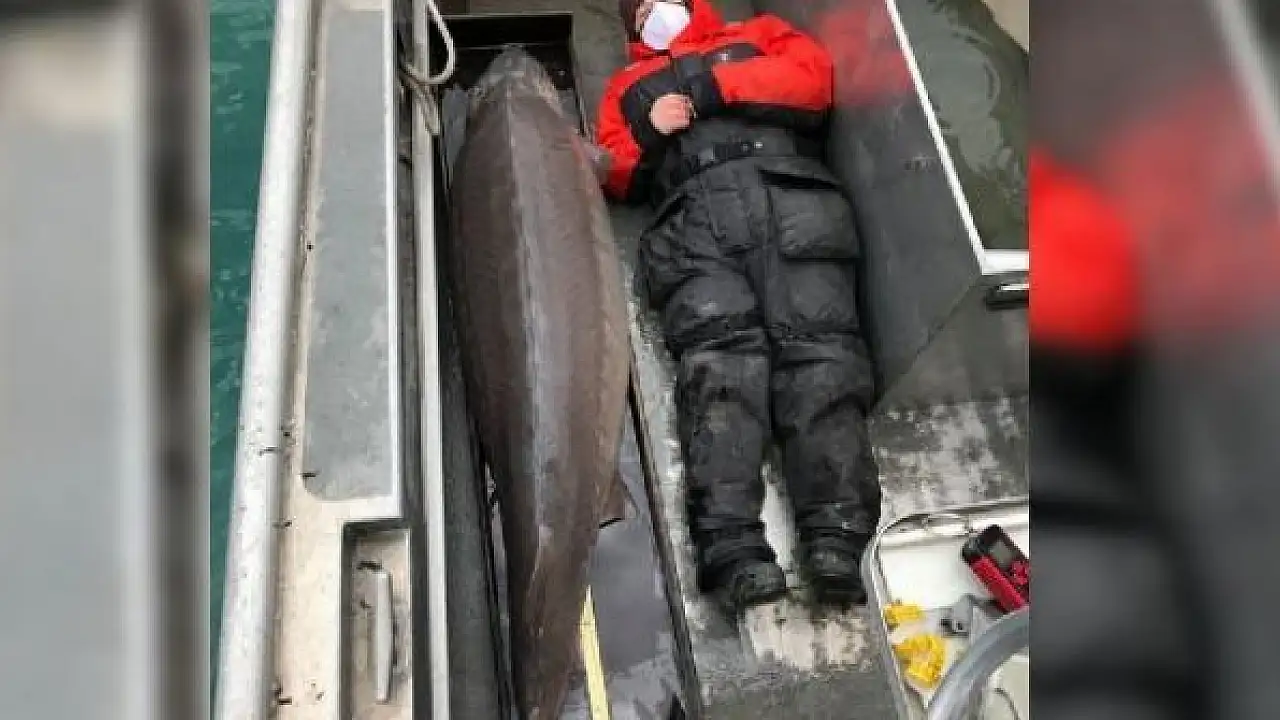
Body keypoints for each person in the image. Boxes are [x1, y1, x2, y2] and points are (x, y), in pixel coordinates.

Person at [594, 0, 881, 612]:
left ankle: (837, 536)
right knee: (720, 370)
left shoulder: (756, 34)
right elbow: (614, 169)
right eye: (639, 9)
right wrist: (649, 131)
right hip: (692, 225)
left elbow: (812, 80)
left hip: (790, 200)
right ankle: (732, 549)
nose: (651, 10)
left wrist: (714, 88)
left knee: (822, 357)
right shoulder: (626, 86)